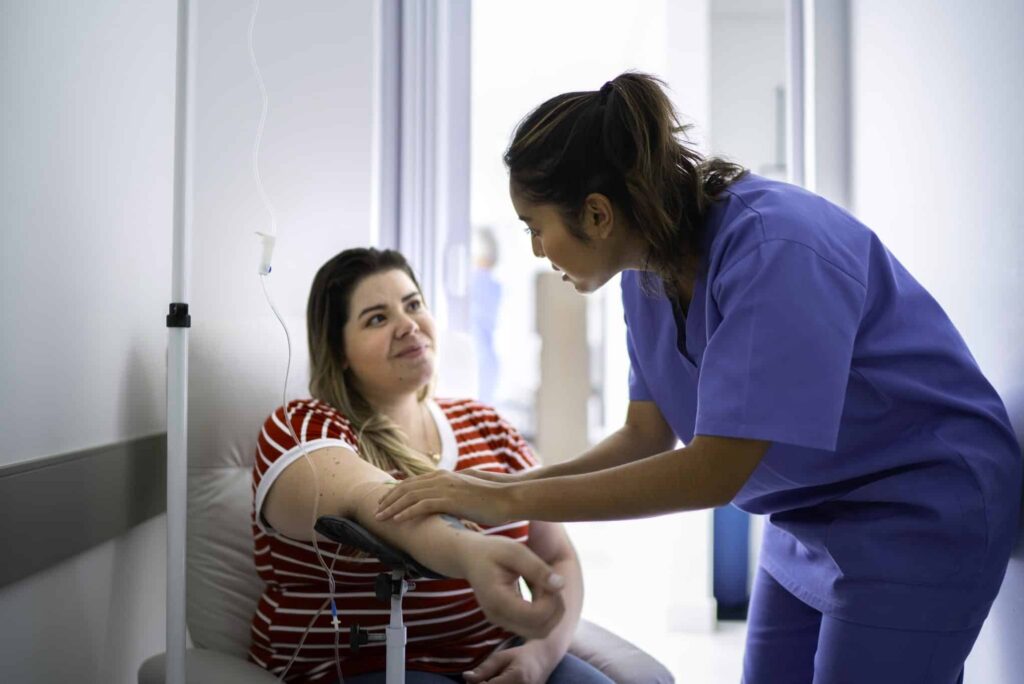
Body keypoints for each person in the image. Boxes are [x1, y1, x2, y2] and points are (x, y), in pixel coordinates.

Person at [376, 72, 1023, 683]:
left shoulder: (776, 249)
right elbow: (644, 435)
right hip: (805, 512)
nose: (536, 250)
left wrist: (506, 501)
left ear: (597, 215)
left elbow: (714, 472)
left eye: (534, 227)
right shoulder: (645, 273)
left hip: (920, 507)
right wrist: (500, 485)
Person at [249, 248, 613, 683]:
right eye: (377, 319)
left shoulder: (487, 424)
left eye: (413, 304)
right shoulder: (302, 426)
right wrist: (470, 552)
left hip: (502, 657)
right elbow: (371, 500)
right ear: (339, 351)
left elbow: (556, 555)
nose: (408, 326)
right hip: (367, 667)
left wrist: (540, 654)